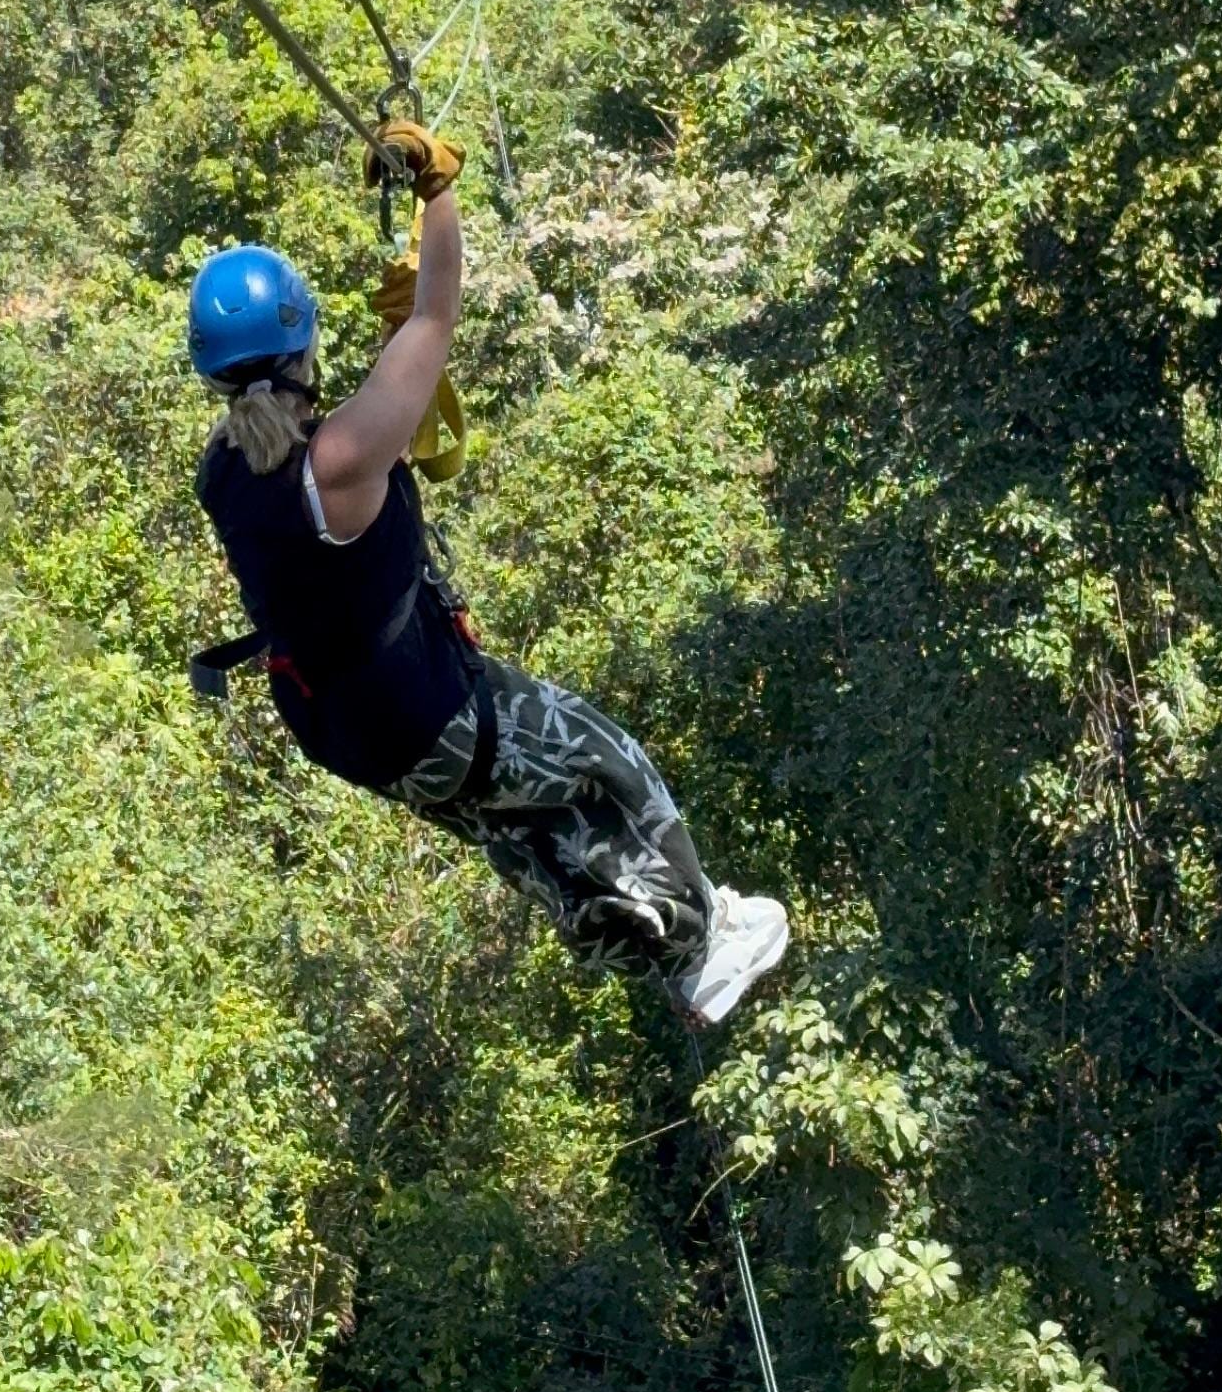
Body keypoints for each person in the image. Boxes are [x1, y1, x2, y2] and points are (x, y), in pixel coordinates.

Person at [188, 118, 789, 1030]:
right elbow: (436, 314)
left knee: (534, 836)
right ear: (303, 338)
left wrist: (394, 373)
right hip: (430, 711)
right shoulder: (342, 458)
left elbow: (341, 438)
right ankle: (704, 940)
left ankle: (670, 961)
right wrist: (437, 193)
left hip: (361, 737)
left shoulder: (225, 469)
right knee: (606, 765)